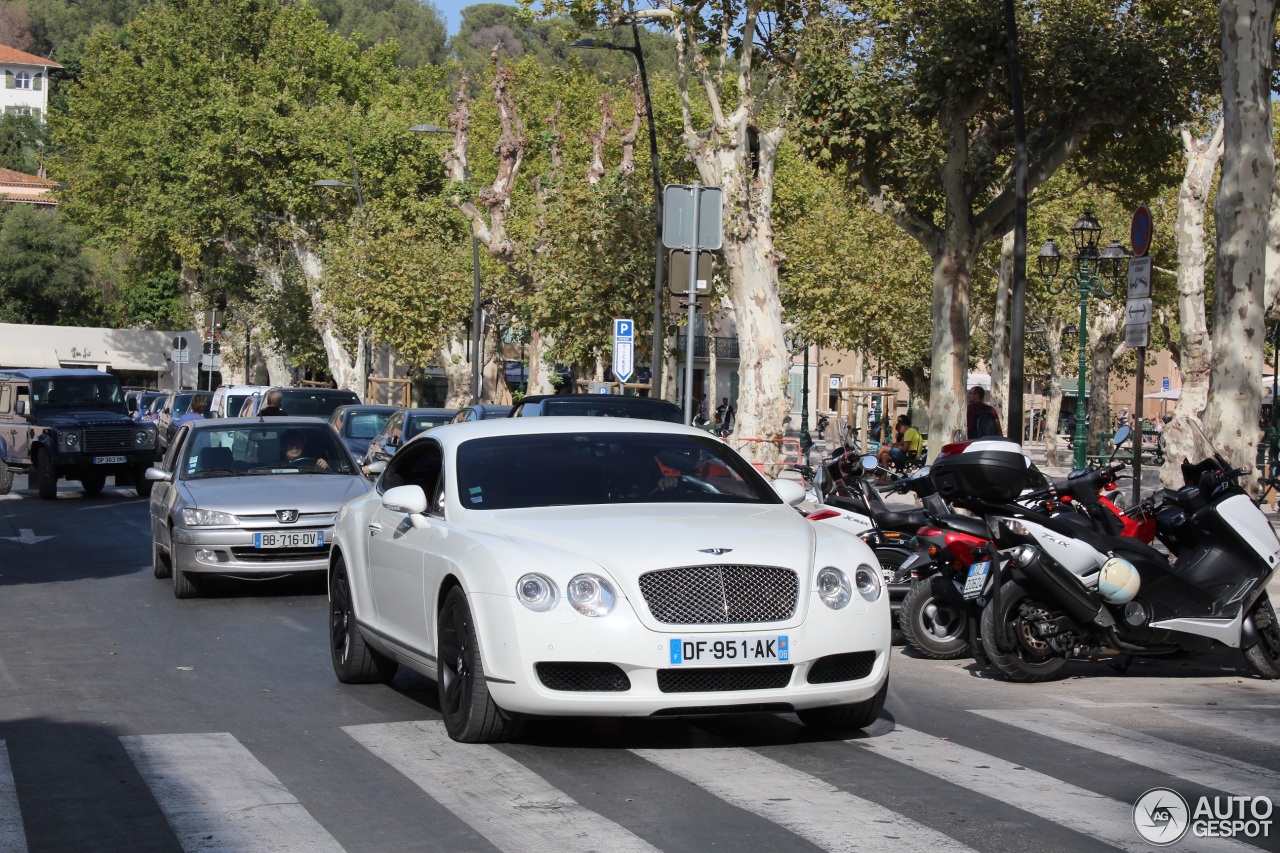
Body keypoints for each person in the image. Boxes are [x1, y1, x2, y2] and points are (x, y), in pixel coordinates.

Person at [876, 414, 923, 484]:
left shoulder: (908, 432)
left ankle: (874, 464)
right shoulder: (912, 431)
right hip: (911, 454)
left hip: (909, 455)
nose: (900, 432)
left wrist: (895, 447)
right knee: (884, 456)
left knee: (883, 448)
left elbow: (904, 448)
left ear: (902, 427)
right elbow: (902, 444)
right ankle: (883, 479)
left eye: (899, 430)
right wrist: (894, 445)